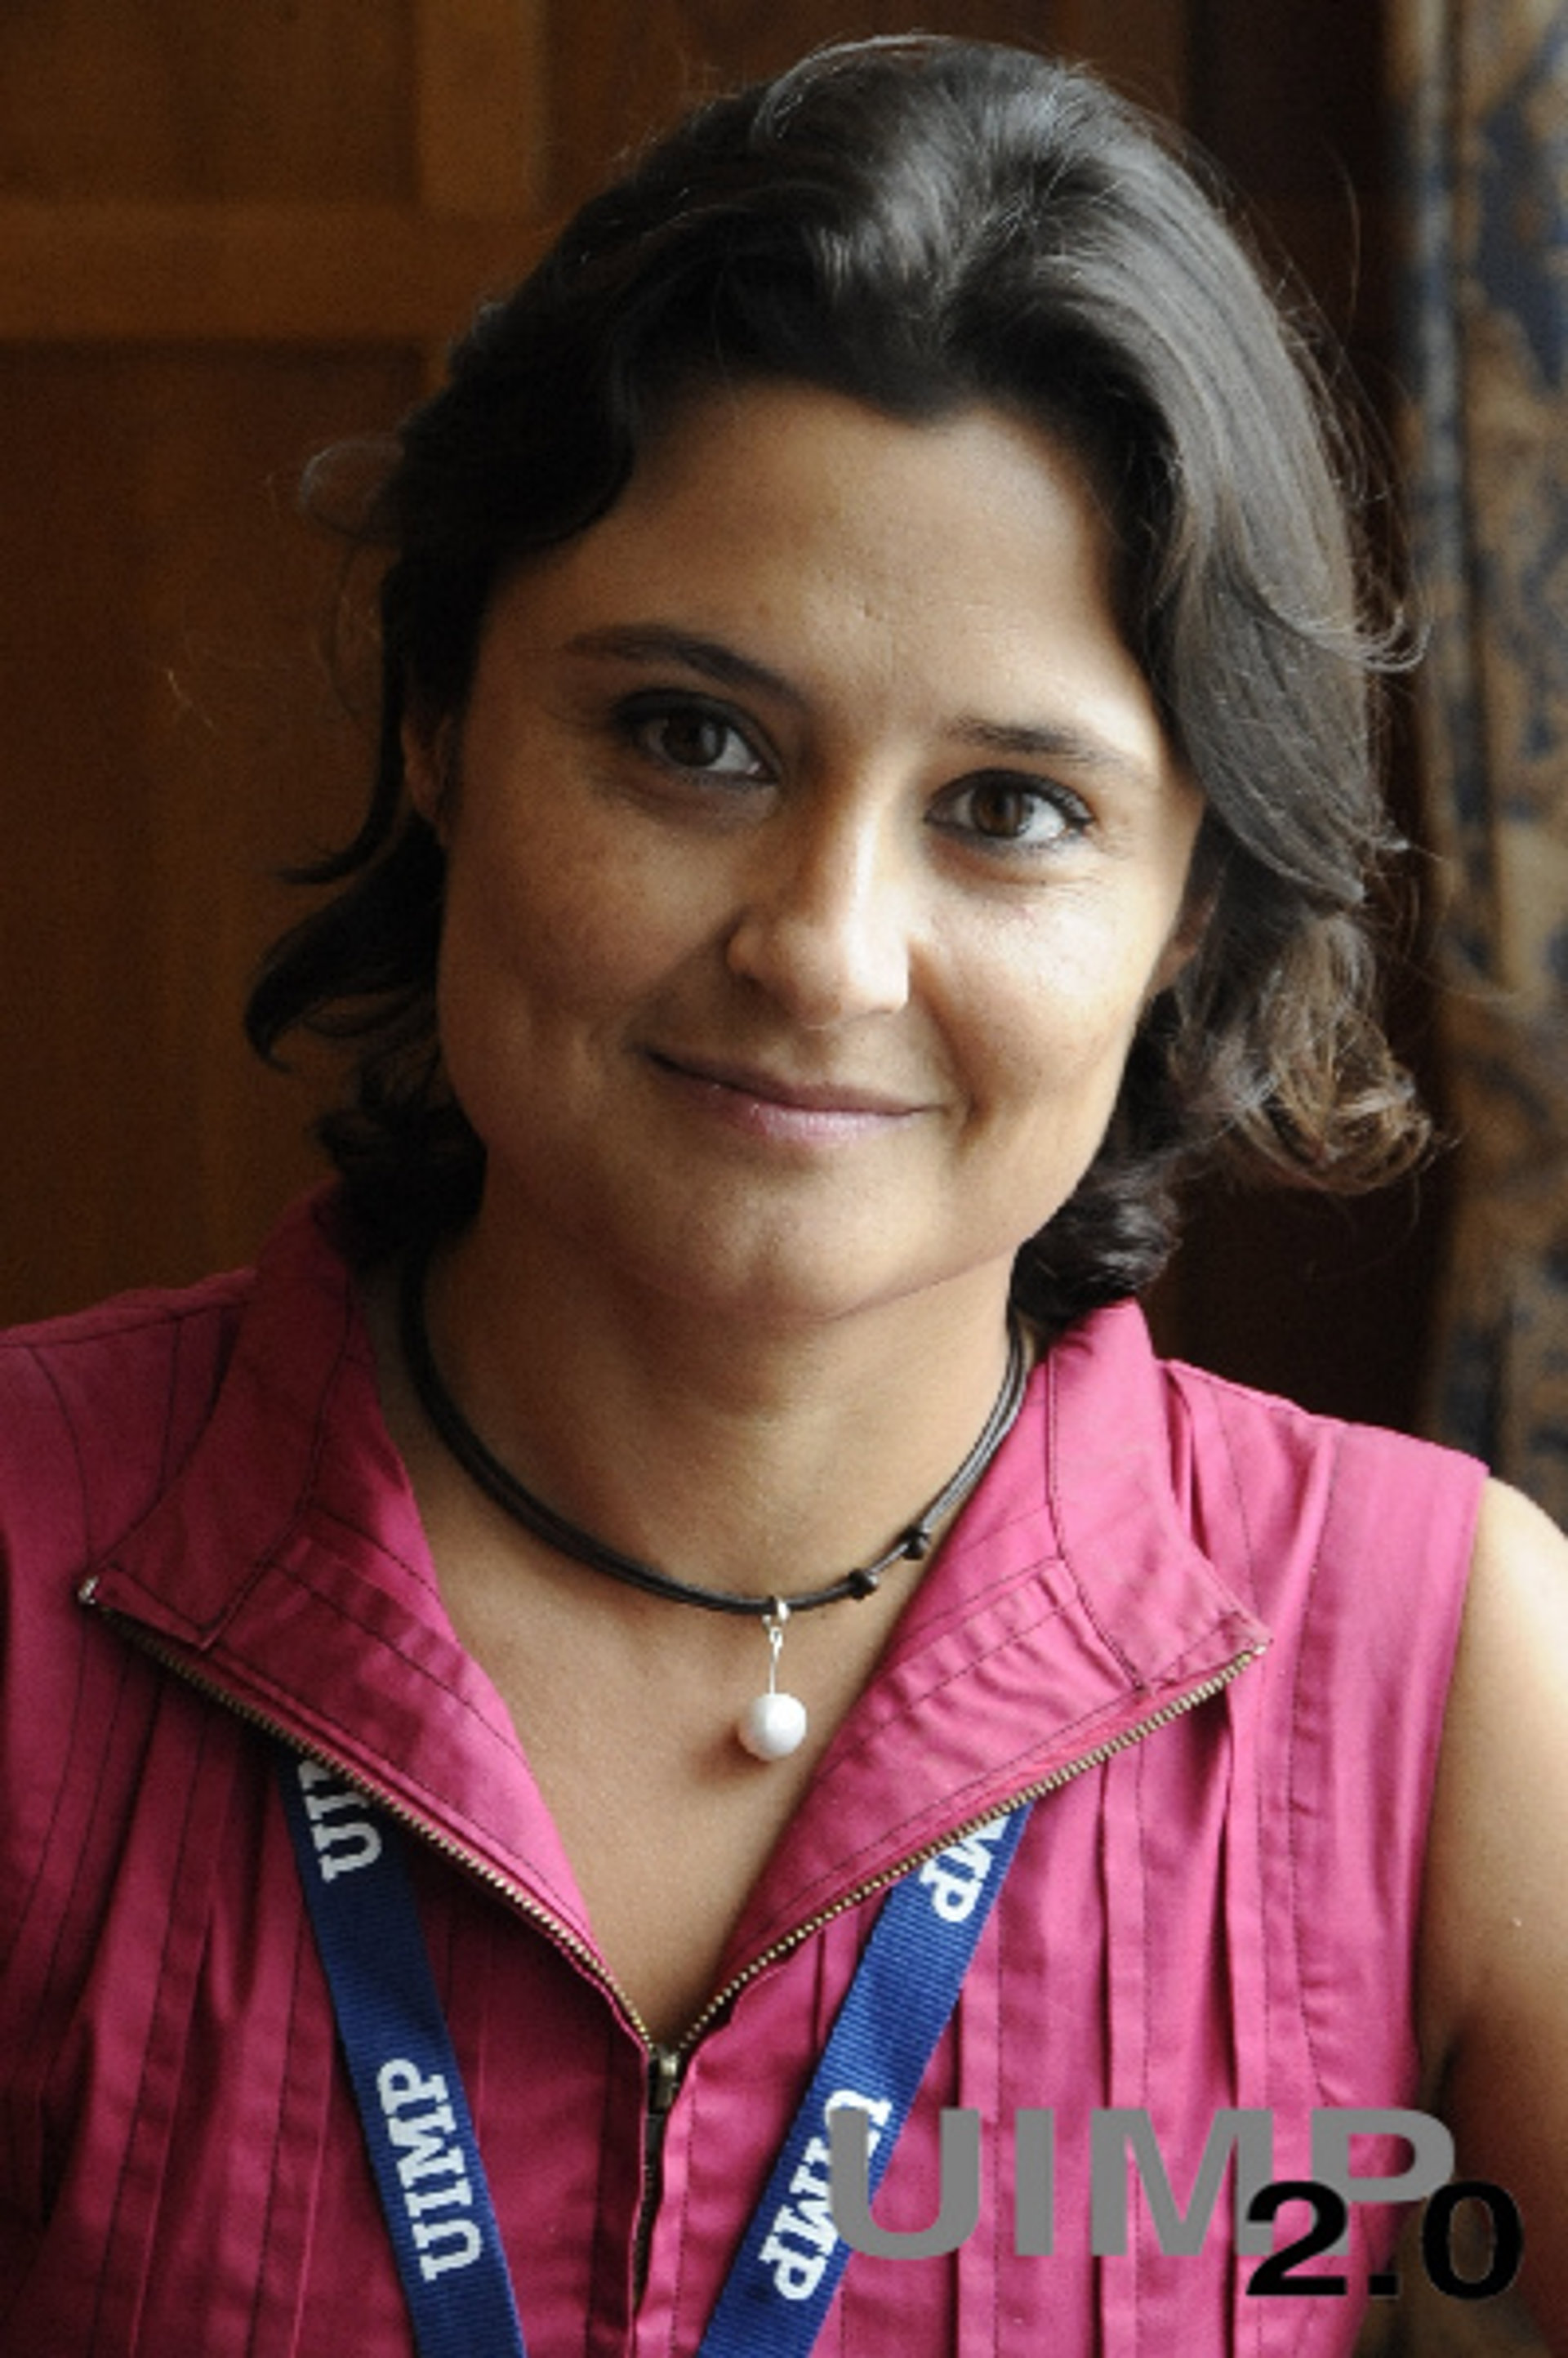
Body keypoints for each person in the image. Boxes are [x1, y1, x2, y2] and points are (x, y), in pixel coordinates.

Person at [3, 32, 1566, 2356]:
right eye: (691, 739)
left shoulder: (1438, 1671)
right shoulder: (26, 1564)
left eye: (1012, 808)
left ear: (1193, 918)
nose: (825, 952)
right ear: (441, 733)